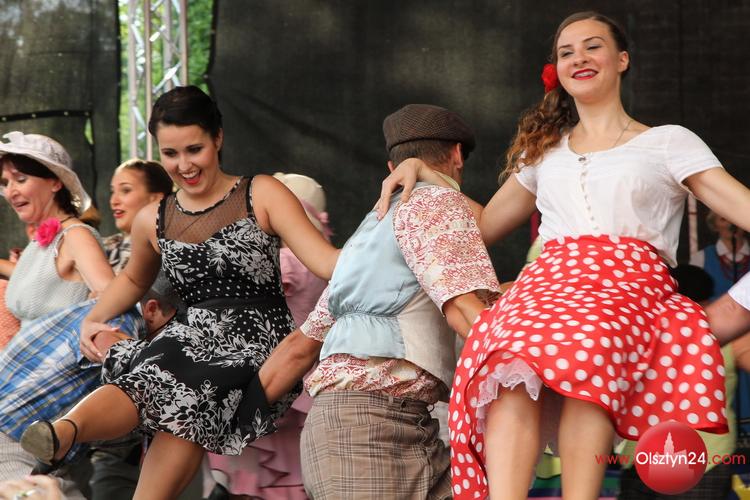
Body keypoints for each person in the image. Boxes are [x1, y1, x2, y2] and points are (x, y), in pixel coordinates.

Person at [377, 11, 750, 499]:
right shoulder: (544, 152)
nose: (580, 58)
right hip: (547, 285)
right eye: (567, 52)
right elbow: (483, 226)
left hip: (625, 286)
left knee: (588, 350)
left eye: (593, 46)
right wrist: (427, 173)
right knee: (509, 365)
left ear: (622, 59)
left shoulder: (667, 142)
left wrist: (740, 301)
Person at [19, 85, 339, 500]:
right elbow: (132, 281)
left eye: (194, 149)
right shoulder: (152, 217)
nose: (184, 165)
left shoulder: (261, 192)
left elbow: (325, 261)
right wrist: (92, 319)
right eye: (170, 154)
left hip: (255, 339)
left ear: (217, 138)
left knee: (184, 386)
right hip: (191, 337)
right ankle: (63, 431)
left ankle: (70, 434)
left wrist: (386, 235)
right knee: (158, 376)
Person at [258, 104, 500, 499]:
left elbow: (298, 348)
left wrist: (228, 417)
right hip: (372, 432)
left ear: (392, 169)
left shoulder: (364, 240)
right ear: (457, 155)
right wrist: (542, 361)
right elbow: (464, 310)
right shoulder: (437, 205)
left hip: (343, 430)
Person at [0, 132, 143, 498]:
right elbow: (34, 288)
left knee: (22, 486)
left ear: (55, 182)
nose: (10, 190)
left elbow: (112, 295)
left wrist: (101, 325)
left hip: (43, 398)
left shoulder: (76, 236)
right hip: (24, 392)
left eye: (21, 179)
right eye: (5, 182)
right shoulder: (40, 244)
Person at [206, 172, 330, 500]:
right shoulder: (322, 261)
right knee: (293, 478)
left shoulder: (285, 262)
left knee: (264, 482)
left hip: (275, 374)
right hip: (308, 381)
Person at [618, 265, 742, 499]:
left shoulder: (639, 332)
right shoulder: (727, 333)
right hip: (705, 458)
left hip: (643, 456)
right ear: (707, 300)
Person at [690, 211, 750, 297]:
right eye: (723, 219)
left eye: (736, 218)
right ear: (715, 226)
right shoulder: (701, 257)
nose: (731, 224)